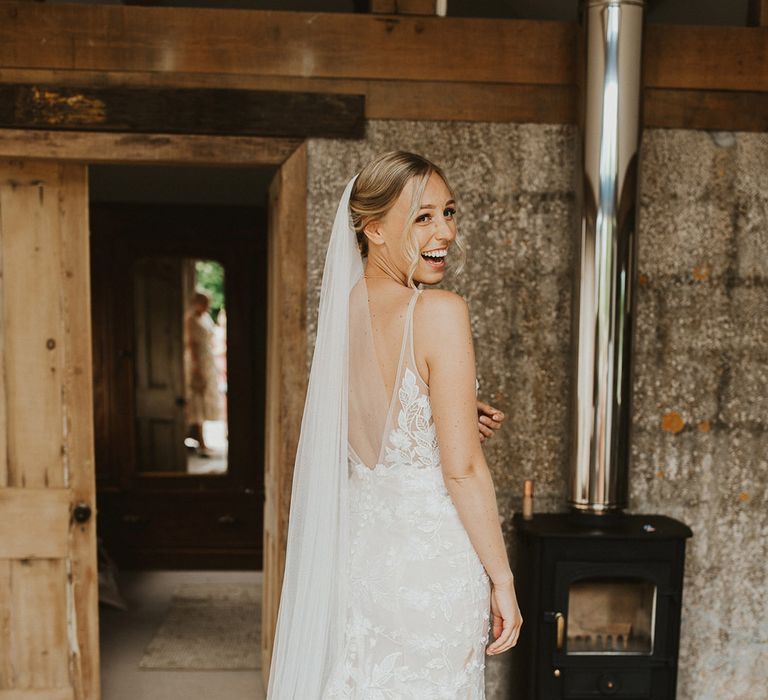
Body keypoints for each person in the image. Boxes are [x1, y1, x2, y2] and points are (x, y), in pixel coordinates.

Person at [266, 151, 522, 698]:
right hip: (430, 565)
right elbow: (463, 471)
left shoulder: (347, 309)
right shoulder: (439, 311)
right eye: (423, 216)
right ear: (373, 228)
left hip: (361, 558)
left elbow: (370, 426)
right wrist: (502, 579)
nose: (445, 233)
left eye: (449, 213)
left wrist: (444, 415)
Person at [184, 290, 220, 456]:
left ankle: (202, 441)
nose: (208, 306)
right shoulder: (190, 320)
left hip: (207, 360)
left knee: (204, 401)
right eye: (205, 303)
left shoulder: (205, 318)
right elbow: (192, 345)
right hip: (197, 363)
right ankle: (201, 442)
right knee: (197, 401)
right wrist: (196, 368)